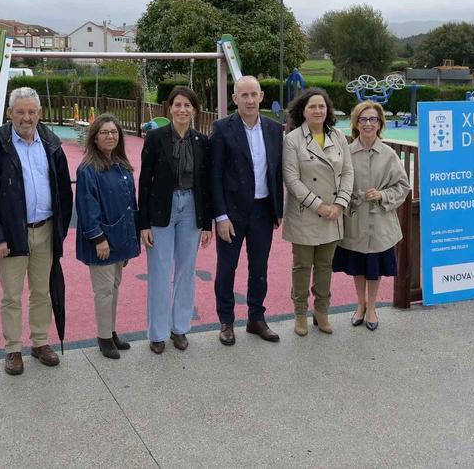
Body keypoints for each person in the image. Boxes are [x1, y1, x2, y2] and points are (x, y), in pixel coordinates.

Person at [0, 87, 73, 376]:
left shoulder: (52, 146)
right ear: (10, 114)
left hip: (46, 230)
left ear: (39, 114)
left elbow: (64, 192)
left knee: (42, 291)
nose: (26, 117)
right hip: (12, 235)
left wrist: (60, 231)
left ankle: (40, 342)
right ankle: (13, 349)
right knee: (12, 296)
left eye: (31, 112)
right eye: (20, 112)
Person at [209, 75, 284, 345]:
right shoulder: (222, 129)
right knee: (227, 268)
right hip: (231, 213)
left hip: (263, 211)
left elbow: (276, 171)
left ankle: (256, 318)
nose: (250, 100)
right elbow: (214, 175)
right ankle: (226, 321)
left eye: (254, 94)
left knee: (259, 267)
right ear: (235, 99)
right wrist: (220, 216)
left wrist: (278, 210)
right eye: (244, 95)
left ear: (261, 96)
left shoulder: (275, 129)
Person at [138, 86, 212, 354]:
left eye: (187, 105)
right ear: (169, 108)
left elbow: (206, 184)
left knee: (186, 271)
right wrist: (144, 223)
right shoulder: (155, 138)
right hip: (161, 209)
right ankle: (157, 333)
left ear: (195, 110)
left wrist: (207, 223)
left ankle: (179, 328)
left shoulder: (202, 141)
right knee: (159, 272)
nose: (182, 110)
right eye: (177, 105)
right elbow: (145, 181)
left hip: (191, 207)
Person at [282, 87, 353, 336]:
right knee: (302, 266)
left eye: (322, 106)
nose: (318, 110)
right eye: (312, 106)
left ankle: (322, 311)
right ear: (303, 110)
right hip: (305, 213)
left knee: (325, 266)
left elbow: (348, 172)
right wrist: (319, 206)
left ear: (328, 109)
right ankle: (300, 312)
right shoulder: (293, 139)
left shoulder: (338, 136)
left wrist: (340, 204)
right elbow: (291, 179)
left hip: (333, 213)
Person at [335, 101, 410, 331]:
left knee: (374, 267)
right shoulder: (346, 153)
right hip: (355, 220)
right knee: (358, 266)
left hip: (379, 222)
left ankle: (372, 308)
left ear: (380, 124)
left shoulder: (389, 154)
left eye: (373, 119)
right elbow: (336, 184)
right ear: (356, 123)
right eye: (363, 119)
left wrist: (382, 195)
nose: (368, 124)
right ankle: (361, 304)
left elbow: (403, 186)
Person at [75, 114, 140, 359]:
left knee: (114, 287)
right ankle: (103, 338)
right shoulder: (88, 170)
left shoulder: (121, 165)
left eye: (114, 132)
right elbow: (87, 207)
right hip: (102, 241)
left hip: (121, 237)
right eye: (104, 132)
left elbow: (130, 204)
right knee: (103, 291)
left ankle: (111, 332)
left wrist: (130, 239)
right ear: (95, 137)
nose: (110, 136)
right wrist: (98, 238)